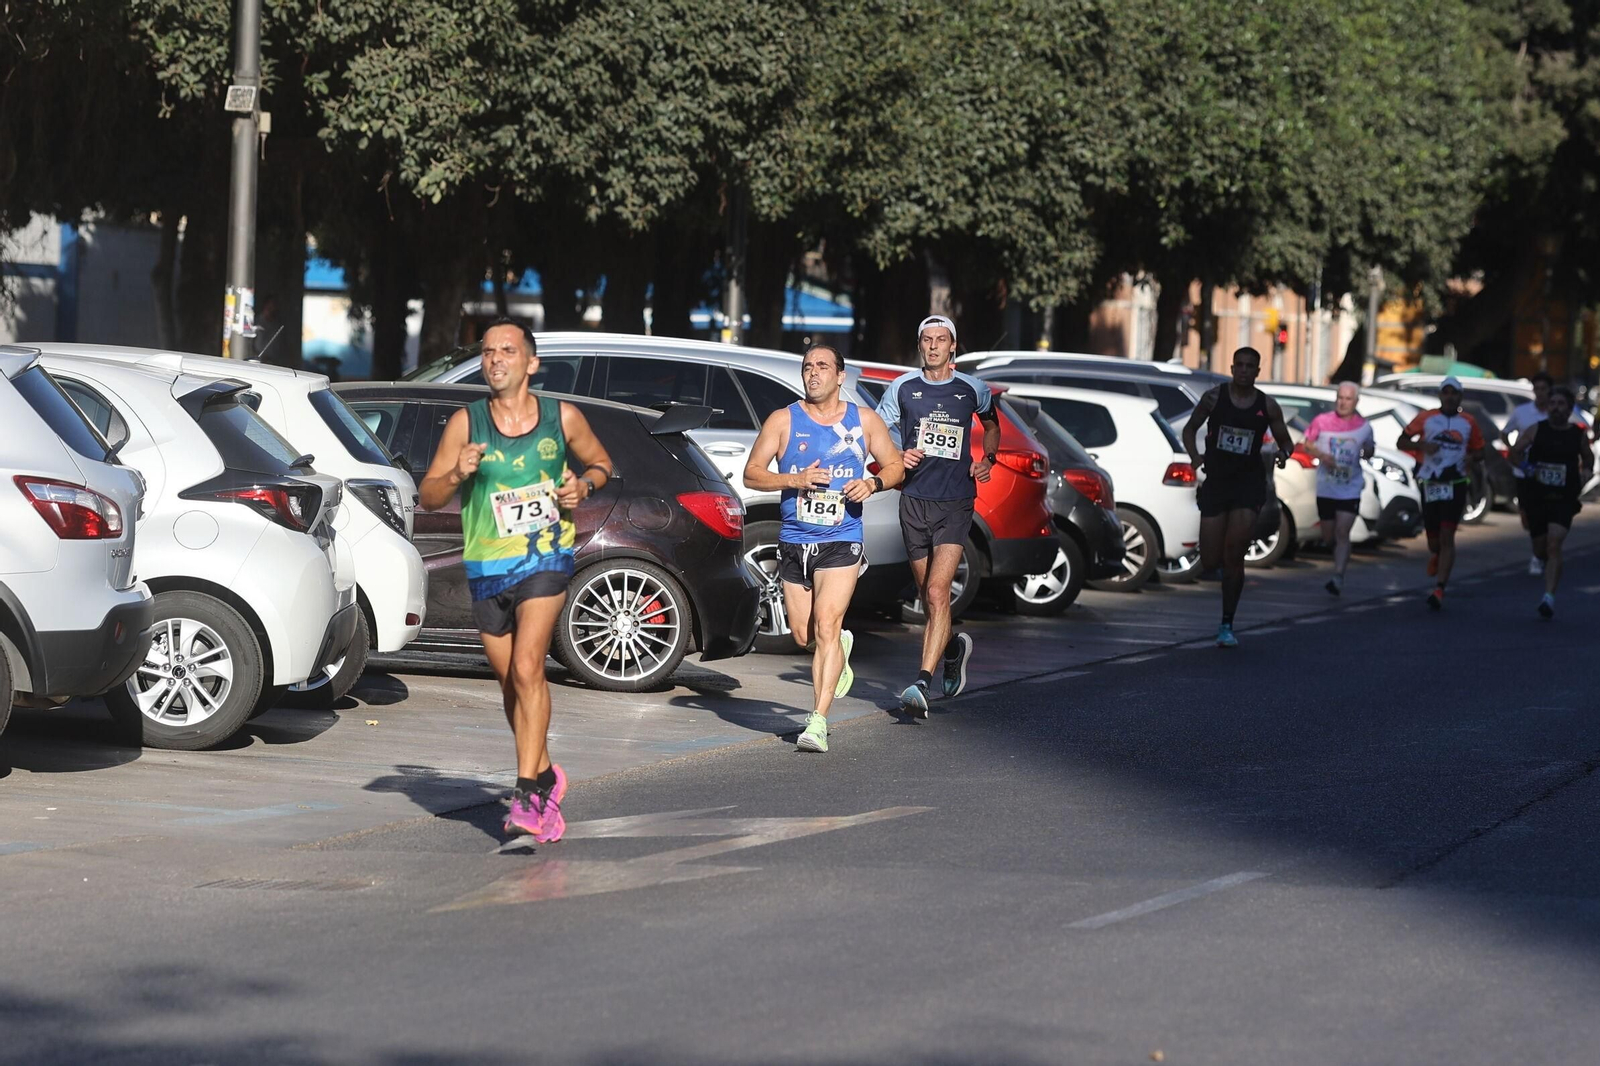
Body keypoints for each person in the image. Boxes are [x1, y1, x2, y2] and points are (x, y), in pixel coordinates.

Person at [418, 319, 613, 843]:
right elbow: (428, 496)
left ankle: (528, 794)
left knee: (530, 666)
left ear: (531, 362)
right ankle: (548, 776)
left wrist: (583, 485)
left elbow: (600, 463)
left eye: (507, 350)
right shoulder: (466, 423)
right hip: (487, 565)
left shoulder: (560, 417)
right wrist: (457, 473)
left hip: (545, 558)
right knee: (512, 685)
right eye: (487, 352)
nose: (495, 359)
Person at [743, 344, 903, 752]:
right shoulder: (783, 419)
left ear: (840, 376)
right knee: (803, 635)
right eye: (807, 367)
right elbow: (752, 475)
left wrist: (873, 483)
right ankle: (839, 651)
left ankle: (817, 721)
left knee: (827, 626)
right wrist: (794, 480)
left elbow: (895, 465)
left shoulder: (863, 420)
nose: (813, 373)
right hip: (795, 540)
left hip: (842, 538)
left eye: (822, 367)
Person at [875, 315, 1000, 715]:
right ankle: (952, 649)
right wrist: (897, 456)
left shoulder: (972, 389)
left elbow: (992, 425)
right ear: (919, 346)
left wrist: (988, 459)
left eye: (940, 340)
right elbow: (880, 431)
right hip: (913, 499)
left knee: (936, 592)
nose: (932, 346)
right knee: (930, 599)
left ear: (953, 347)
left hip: (956, 501)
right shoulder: (902, 387)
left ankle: (920, 684)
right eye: (926, 340)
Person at [1180, 347, 1293, 647]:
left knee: (1234, 554)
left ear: (1258, 371)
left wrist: (1283, 454)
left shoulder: (1267, 406)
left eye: (1250, 366)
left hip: (1248, 484)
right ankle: (1225, 605)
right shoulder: (1214, 398)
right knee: (1210, 558)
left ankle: (1227, 623)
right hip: (1218, 481)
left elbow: (1287, 441)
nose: (1244, 370)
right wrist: (1195, 456)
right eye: (1239, 365)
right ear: (1232, 368)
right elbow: (1190, 429)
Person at [1397, 376, 1484, 611]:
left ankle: (1440, 588)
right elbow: (1401, 442)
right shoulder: (1426, 418)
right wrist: (1422, 446)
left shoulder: (1469, 421)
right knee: (1434, 539)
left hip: (1456, 482)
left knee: (1448, 536)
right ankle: (1436, 554)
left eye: (1454, 393)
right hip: (1430, 481)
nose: (1449, 397)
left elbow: (1480, 452)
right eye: (1445, 393)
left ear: (1460, 397)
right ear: (1439, 396)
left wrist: (1471, 457)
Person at [1506, 385, 1591, 617]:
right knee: (1540, 547)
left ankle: (1549, 597)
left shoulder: (1577, 434)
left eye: (1561, 404)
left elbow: (1588, 457)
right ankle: (1541, 559)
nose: (1556, 408)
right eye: (1552, 404)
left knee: (1555, 544)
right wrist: (1526, 467)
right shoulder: (1536, 430)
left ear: (1570, 408)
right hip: (1537, 496)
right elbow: (1514, 452)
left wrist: (1586, 472)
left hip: (1564, 498)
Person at [1303, 382, 1376, 595]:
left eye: (1348, 399)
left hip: (1350, 486)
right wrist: (1322, 455)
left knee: (1342, 531)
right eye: (1340, 398)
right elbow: (1307, 443)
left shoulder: (1364, 427)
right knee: (1328, 535)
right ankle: (1337, 556)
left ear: (1356, 401)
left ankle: (1338, 576)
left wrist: (1368, 450)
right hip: (1326, 486)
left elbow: (1370, 450)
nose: (1343, 403)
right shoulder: (1321, 421)